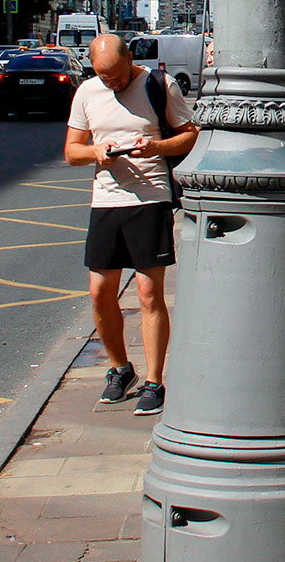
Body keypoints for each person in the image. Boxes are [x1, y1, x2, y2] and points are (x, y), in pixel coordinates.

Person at [65, 34, 199, 417]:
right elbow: (72, 151)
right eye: (105, 77)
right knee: (99, 291)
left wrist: (155, 147)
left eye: (118, 76)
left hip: (151, 197)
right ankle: (120, 368)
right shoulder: (88, 92)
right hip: (106, 198)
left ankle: (154, 381)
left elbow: (190, 136)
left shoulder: (160, 85)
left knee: (147, 293)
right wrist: (95, 151)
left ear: (130, 60)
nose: (114, 84)